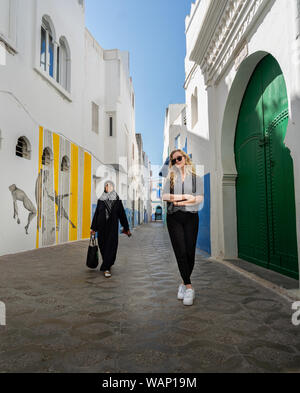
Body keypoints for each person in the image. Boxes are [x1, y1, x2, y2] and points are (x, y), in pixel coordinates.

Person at [162, 150, 204, 306]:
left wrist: (183, 202)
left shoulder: (196, 179)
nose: (177, 162)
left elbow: (199, 198)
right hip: (174, 218)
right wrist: (185, 197)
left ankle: (182, 283)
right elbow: (165, 196)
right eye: (173, 161)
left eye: (179, 158)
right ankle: (189, 287)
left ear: (185, 159)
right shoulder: (171, 178)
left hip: (191, 217)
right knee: (180, 250)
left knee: (189, 252)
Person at [90, 181, 131, 278]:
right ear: (105, 188)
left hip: (112, 228)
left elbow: (122, 215)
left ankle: (106, 268)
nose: (109, 188)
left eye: (111, 186)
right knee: (102, 246)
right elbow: (97, 214)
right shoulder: (101, 199)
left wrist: (126, 228)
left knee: (111, 247)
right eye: (107, 186)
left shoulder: (117, 200)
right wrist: (93, 228)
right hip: (102, 227)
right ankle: (107, 262)